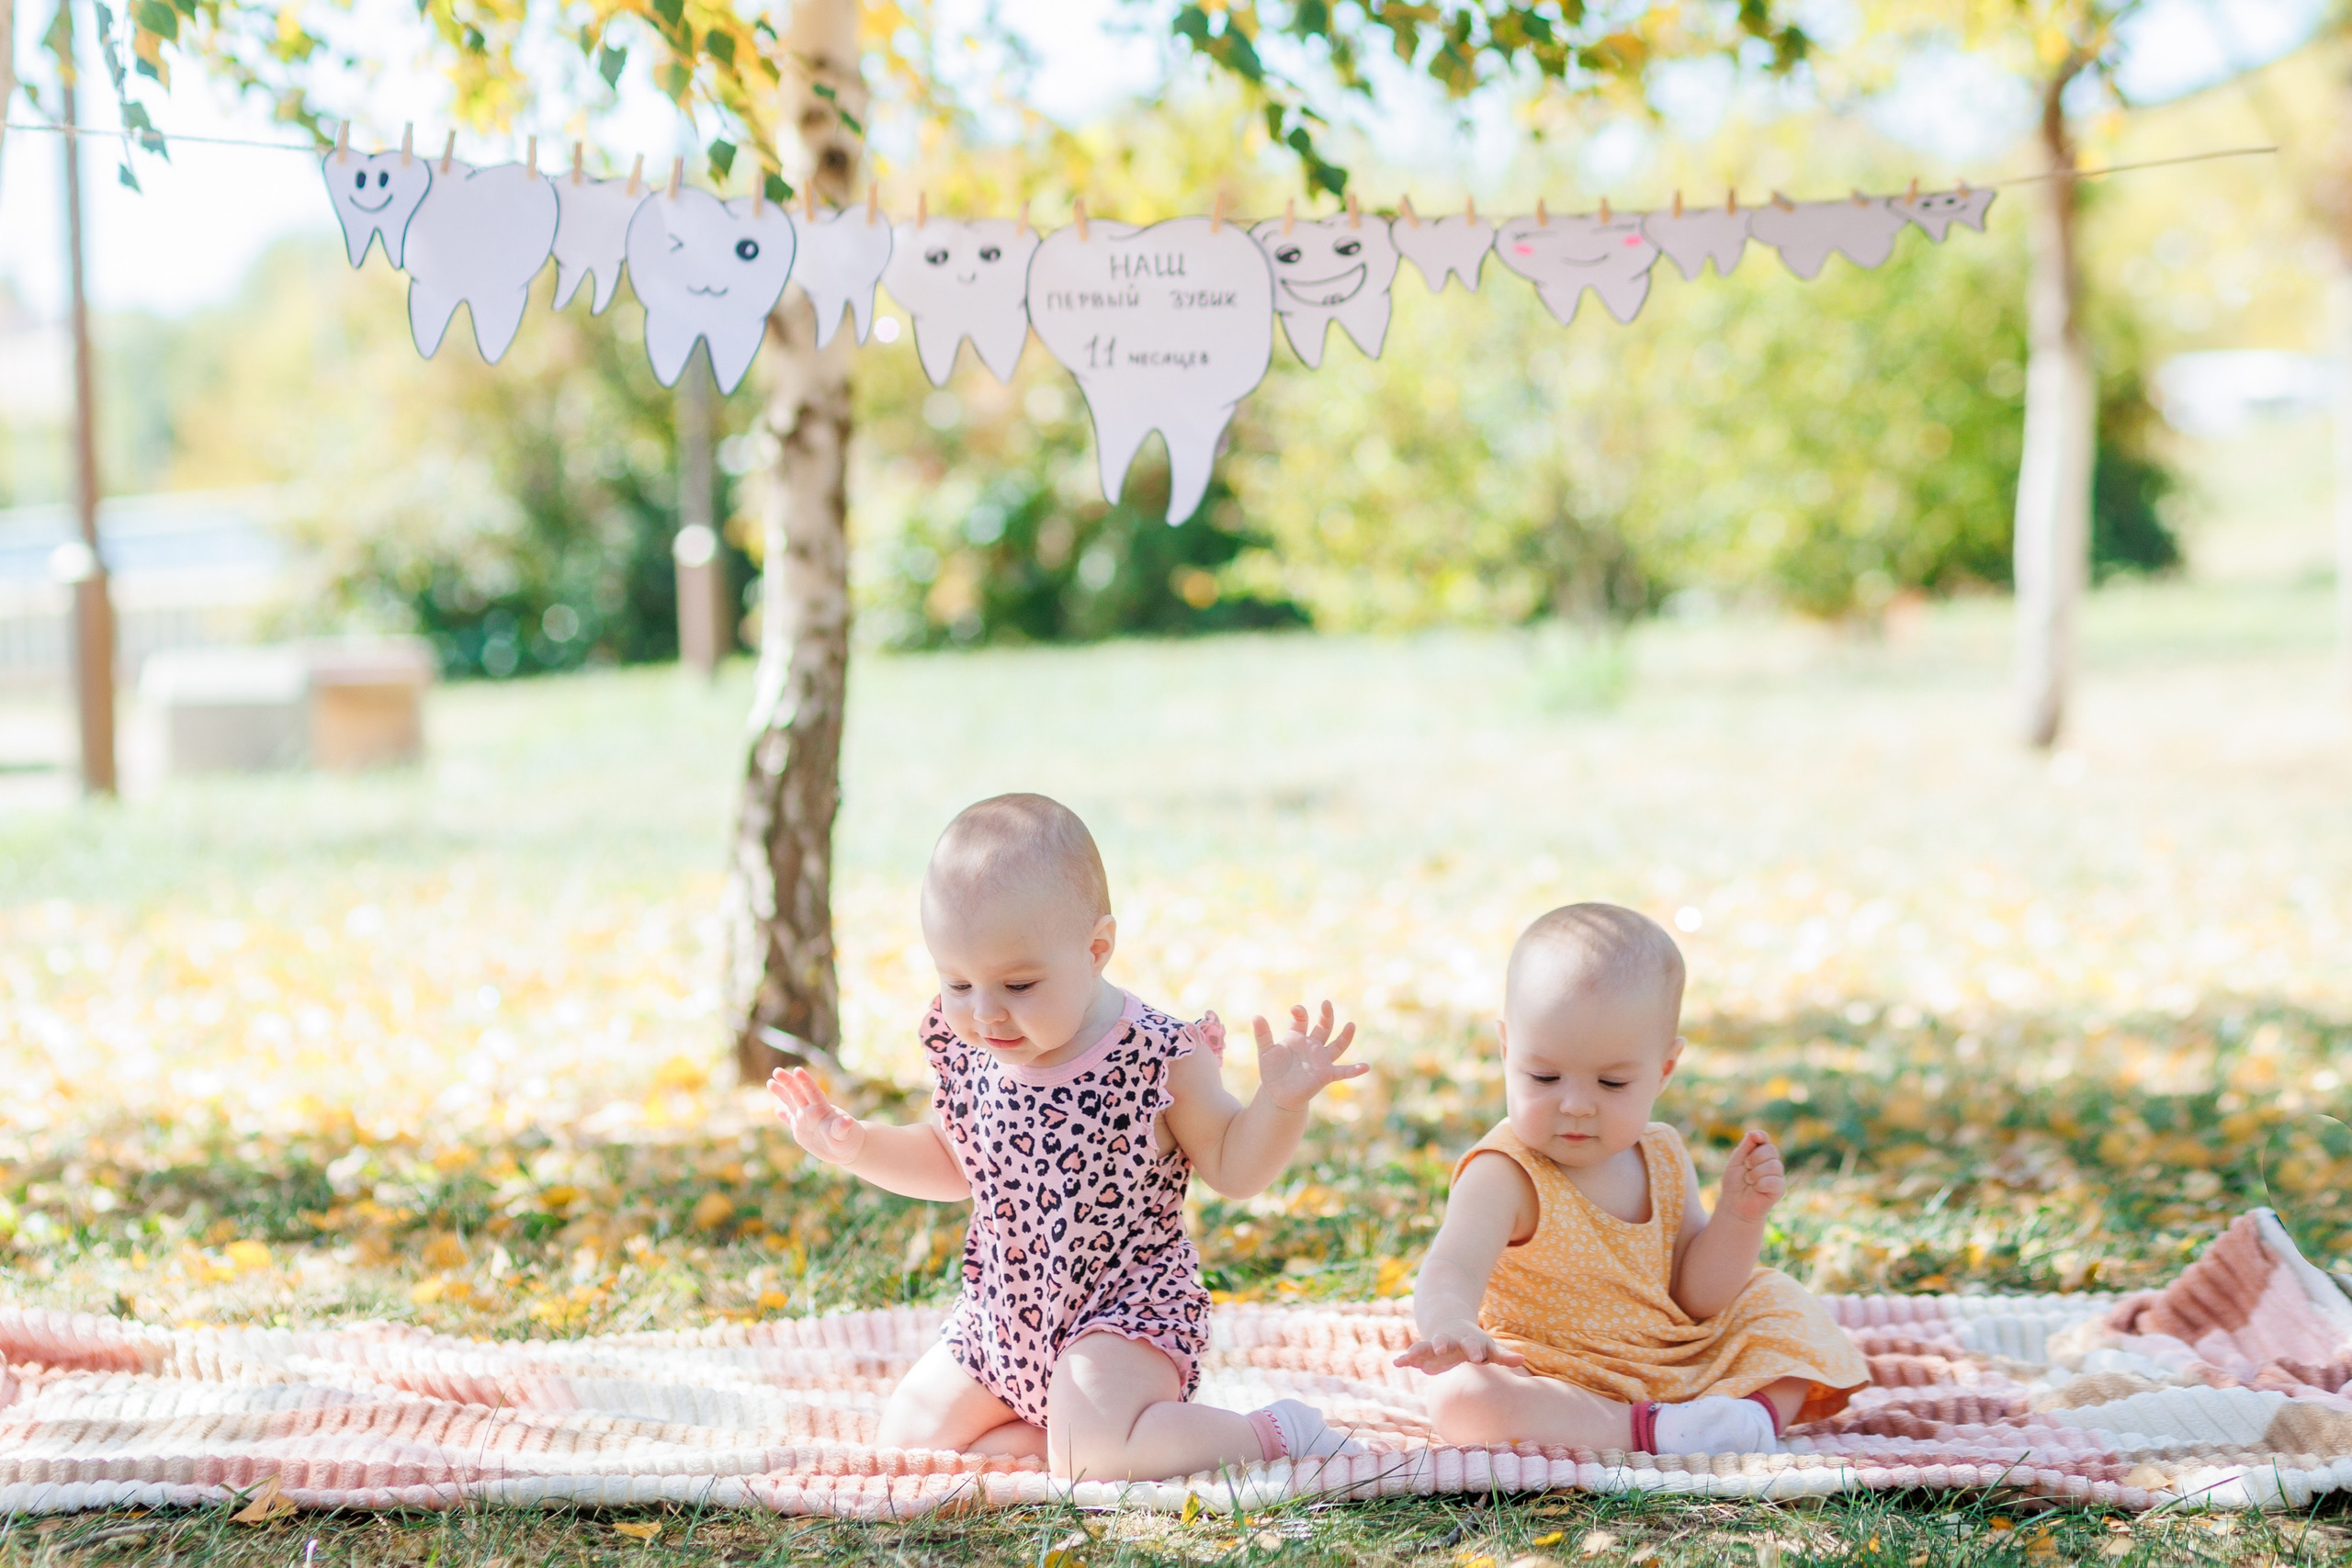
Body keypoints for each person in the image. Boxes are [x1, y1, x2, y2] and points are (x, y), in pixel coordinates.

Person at [768, 792, 1368, 1481]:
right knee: (906, 1444)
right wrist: (857, 1145)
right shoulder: (973, 1049)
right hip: (1002, 1318)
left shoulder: (1157, 1055)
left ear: (1096, 948)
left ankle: (1270, 1432)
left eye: (1018, 983)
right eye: (957, 981)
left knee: (1092, 1458)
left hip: (1122, 1313)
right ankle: (1065, 1440)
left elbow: (1234, 1165)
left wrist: (1280, 1103)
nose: (985, 1012)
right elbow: (951, 1157)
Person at [1396, 902, 1866, 1454]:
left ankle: (1745, 1421)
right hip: (1554, 1371)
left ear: (1663, 1070)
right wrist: (1452, 1321)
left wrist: (1739, 1217)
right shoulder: (1505, 1172)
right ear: (1506, 1051)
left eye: (1612, 1083)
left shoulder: (1662, 1154)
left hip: (1673, 1353)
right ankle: (1654, 1433)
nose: (1575, 1104)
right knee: (1465, 1400)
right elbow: (1452, 1262)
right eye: (1543, 1076)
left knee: (1779, 1301)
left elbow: (1699, 1299)